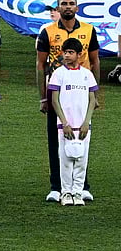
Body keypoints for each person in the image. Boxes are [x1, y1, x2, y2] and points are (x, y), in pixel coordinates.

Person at [36, 0, 100, 202]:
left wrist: (95, 93)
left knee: (83, 137)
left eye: (71, 3)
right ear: (58, 8)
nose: (68, 7)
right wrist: (43, 97)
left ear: (77, 7)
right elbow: (40, 65)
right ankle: (57, 186)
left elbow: (95, 61)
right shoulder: (47, 31)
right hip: (57, 91)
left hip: (81, 92)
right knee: (56, 140)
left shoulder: (89, 30)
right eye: (64, 4)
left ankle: (83, 186)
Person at [48, 38, 98, 206]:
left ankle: (78, 192)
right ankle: (66, 192)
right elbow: (55, 101)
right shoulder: (58, 74)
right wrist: (64, 122)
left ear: (79, 54)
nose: (67, 55)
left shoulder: (87, 75)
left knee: (81, 159)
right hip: (65, 126)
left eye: (70, 52)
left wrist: (87, 122)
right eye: (65, 52)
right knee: (66, 159)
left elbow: (92, 100)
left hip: (83, 125)